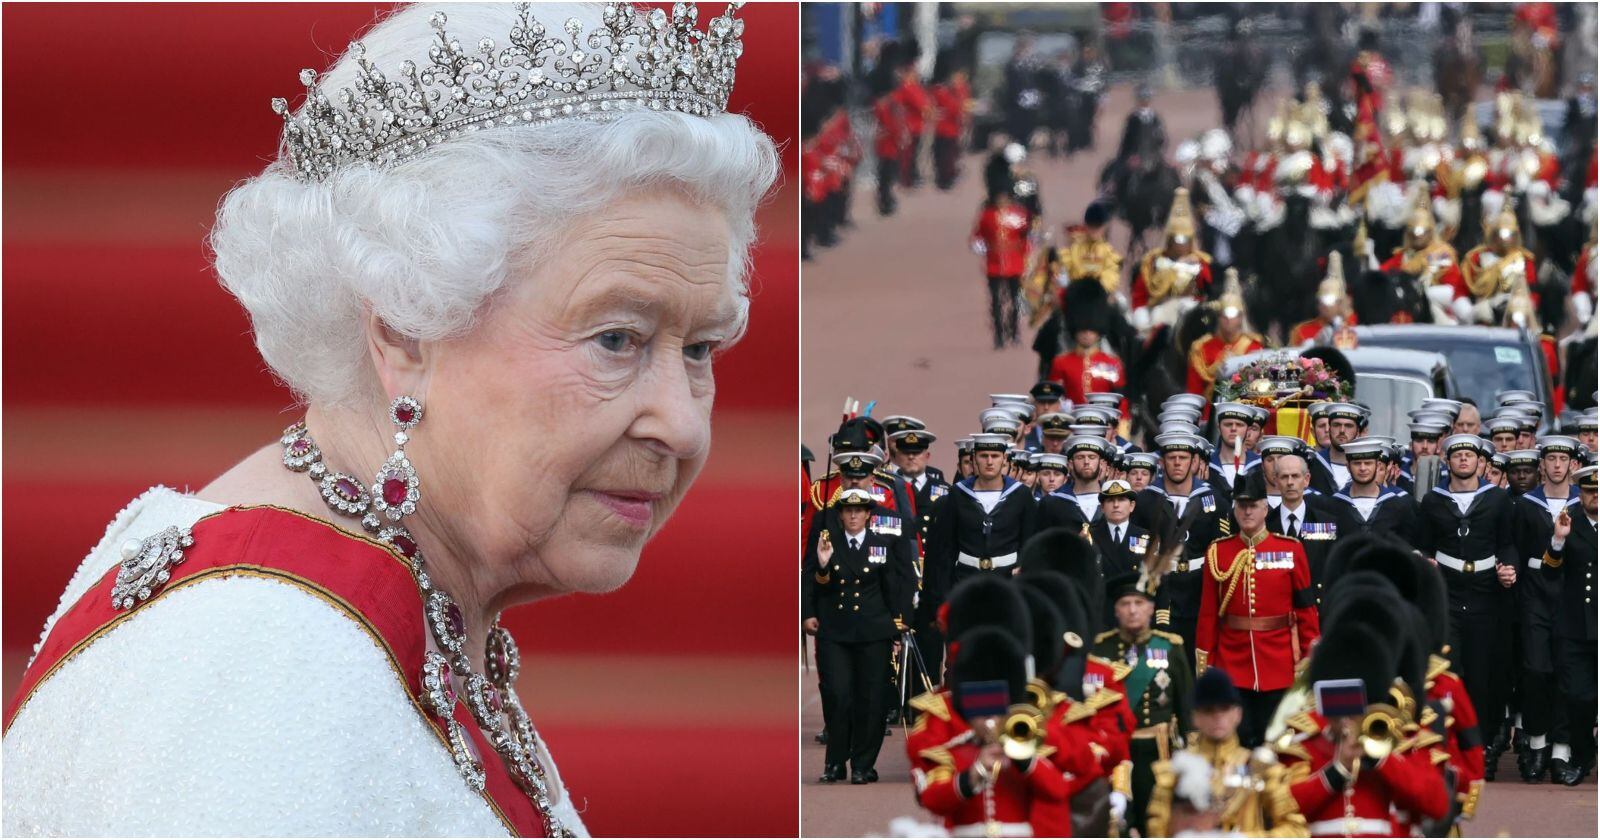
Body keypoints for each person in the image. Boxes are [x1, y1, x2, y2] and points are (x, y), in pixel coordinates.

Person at [1, 4, 778, 835]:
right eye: (616, 338)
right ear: (406, 328)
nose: (682, 427)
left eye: (701, 349)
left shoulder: (379, 611)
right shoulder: (263, 666)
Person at [1416, 434, 1519, 773]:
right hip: (1447, 592)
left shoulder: (1499, 501)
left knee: (1482, 675)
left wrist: (1508, 568)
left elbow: (1507, 543)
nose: (1463, 460)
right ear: (1447, 462)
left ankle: (1483, 746)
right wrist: (1426, 561)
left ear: (1481, 463)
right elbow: (1425, 545)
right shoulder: (1433, 500)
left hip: (1486, 595)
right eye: (1457, 455)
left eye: (1469, 455)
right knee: (1451, 671)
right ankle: (1451, 744)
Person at [1194, 471, 1320, 747]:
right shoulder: (1218, 552)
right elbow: (1208, 614)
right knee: (1235, 743)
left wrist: (1309, 660)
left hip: (1279, 663)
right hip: (1232, 663)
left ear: (1265, 508)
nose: (1247, 511)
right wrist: (1207, 667)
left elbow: (1306, 610)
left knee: (1276, 742)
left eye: (1253, 505)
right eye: (1241, 505)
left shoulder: (1290, 550)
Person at [804, 489, 913, 785]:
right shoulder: (827, 543)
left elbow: (894, 587)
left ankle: (864, 764)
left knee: (871, 700)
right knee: (838, 697)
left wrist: (898, 624)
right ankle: (836, 762)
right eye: (848, 511)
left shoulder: (881, 546)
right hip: (835, 631)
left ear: (868, 514)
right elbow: (813, 583)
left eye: (859, 510)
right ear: (840, 515)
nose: (853, 515)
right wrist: (824, 568)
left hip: (873, 631)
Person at [1145, 669, 1307, 837]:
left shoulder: (1261, 768)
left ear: (1237, 714)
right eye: (1209, 710)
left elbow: (1296, 830)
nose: (1218, 717)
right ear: (1195, 717)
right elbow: (1157, 831)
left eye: (1224, 709)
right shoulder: (1175, 772)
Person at [1092, 569, 1193, 838]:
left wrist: (1192, 758)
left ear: (1151, 608)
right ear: (1116, 610)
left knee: (1157, 822)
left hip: (1156, 752)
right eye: (1125, 604)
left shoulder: (1171, 647)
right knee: (1118, 822)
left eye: (1139, 603)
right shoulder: (1101, 650)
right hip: (1115, 752)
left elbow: (1186, 709)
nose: (1132, 610)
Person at [1512, 436, 1581, 783]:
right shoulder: (1526, 504)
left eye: (1562, 459)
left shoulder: (1583, 504)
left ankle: (1561, 750)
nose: (1556, 465)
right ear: (1542, 465)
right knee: (1537, 669)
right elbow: (1514, 546)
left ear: (1573, 465)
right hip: (1535, 592)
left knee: (1567, 673)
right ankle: (1537, 743)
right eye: (1551, 458)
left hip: (1571, 594)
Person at [1146, 431, 1231, 663]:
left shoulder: (1213, 499)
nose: (1177, 463)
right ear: (1162, 462)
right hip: (1160, 587)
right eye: (1171, 457)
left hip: (1199, 587)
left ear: (1194, 461)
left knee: (1198, 659)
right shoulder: (1146, 500)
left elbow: (1221, 549)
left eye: (1183, 457)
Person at [926, 434, 1037, 597]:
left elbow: (1029, 540)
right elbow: (946, 548)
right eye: (984, 456)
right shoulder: (957, 494)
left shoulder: (1021, 495)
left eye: (995, 456)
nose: (990, 462)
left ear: (1005, 459)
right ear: (974, 459)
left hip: (1008, 583)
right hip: (965, 581)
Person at [1543, 465, 1598, 786]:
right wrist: (1558, 541)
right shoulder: (1568, 520)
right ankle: (1581, 756)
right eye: (1590, 492)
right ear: (1581, 493)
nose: (1595, 497)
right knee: (1578, 697)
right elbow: (1549, 574)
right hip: (1577, 626)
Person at [1267, 454, 1347, 605]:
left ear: (1307, 479)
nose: (1290, 482)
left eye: (1295, 476)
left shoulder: (1326, 523)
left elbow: (1335, 571)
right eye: (1284, 477)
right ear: (1276, 481)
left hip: (1316, 610)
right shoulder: (1265, 525)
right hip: (1277, 611)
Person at [1133, 189, 1214, 332]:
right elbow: (1141, 291)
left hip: (1191, 310)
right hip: (1160, 309)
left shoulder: (1200, 263)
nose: (1181, 245)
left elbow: (1207, 292)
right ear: (1170, 240)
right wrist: (1141, 311)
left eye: (1185, 240)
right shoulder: (1153, 261)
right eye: (1177, 240)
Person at [1184, 270, 1263, 400]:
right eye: (1224, 316)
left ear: (1240, 317)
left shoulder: (1254, 346)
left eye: (1232, 316)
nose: (1228, 321)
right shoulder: (1201, 348)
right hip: (1209, 413)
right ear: (1218, 317)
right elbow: (1194, 391)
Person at [1047, 280, 1127, 403]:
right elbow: (1053, 398)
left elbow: (1121, 400)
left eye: (1092, 330)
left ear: (1099, 331)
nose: (1087, 334)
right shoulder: (1061, 363)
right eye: (1082, 330)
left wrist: (1121, 421)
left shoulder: (1113, 363)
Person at [972, 187, 1033, 350]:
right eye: (999, 198)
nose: (1002, 201)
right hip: (994, 264)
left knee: (1014, 300)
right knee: (996, 302)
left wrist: (1026, 256)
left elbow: (1025, 237)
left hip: (1015, 263)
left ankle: (1014, 332)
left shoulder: (1019, 214)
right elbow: (978, 235)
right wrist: (980, 247)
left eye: (1004, 198)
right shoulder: (987, 215)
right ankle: (999, 335)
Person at [1330, 438, 1418, 544]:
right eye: (1357, 463)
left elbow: (1410, 549)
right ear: (1348, 467)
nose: (1362, 468)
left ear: (1377, 466)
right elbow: (1317, 548)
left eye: (1368, 463)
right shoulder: (1330, 505)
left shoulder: (1400, 506)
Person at [1090, 480, 1151, 587]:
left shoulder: (1146, 537)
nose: (1116, 505)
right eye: (1110, 500)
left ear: (1132, 506)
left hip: (1133, 599)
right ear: (1102, 507)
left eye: (1121, 499)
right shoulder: (1090, 537)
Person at [1290, 252, 1356, 345]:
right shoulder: (1302, 331)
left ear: (1339, 303)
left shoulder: (1354, 326)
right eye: (1322, 301)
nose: (1325, 306)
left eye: (1330, 301)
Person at [1210, 402, 1262, 486]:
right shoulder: (1207, 464)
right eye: (1228, 424)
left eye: (1239, 425)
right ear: (1219, 428)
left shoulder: (1260, 466)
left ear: (1248, 430)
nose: (1233, 429)